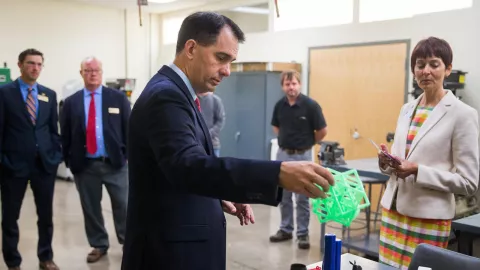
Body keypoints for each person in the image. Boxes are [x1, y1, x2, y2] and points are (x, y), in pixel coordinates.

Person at [121, 11, 335, 270]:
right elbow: (186, 166)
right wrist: (277, 173)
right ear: (191, 48)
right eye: (221, 58)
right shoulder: (166, 97)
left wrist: (218, 194)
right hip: (168, 255)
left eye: (231, 61)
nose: (227, 71)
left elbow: (172, 171)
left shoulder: (180, 94)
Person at [377, 37, 479, 270]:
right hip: (393, 214)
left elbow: (469, 182)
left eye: (434, 64)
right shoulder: (407, 109)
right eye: (420, 65)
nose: (426, 71)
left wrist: (417, 171)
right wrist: (386, 162)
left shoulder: (463, 114)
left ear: (448, 69)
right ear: (413, 70)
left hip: (428, 219)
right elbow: (399, 160)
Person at [60, 57, 130, 263]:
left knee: (124, 206)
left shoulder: (117, 98)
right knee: (91, 208)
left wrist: (128, 157)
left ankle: (128, 242)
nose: (92, 73)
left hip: (116, 164)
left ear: (102, 72)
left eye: (96, 70)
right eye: (88, 70)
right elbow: (65, 135)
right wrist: (69, 162)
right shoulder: (71, 102)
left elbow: (130, 129)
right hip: (85, 165)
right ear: (81, 73)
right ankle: (99, 244)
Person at [0, 49, 62, 270]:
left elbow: (53, 130)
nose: (35, 68)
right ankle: (13, 261)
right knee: (10, 217)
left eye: (38, 64)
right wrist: (4, 161)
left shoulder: (49, 94)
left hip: (44, 165)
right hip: (13, 166)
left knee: (45, 216)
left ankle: (45, 257)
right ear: (20, 65)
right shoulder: (5, 93)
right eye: (30, 63)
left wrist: (56, 155)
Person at [269, 70, 328, 249]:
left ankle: (303, 234)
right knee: (284, 195)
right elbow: (276, 127)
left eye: (294, 83)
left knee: (303, 196)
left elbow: (322, 131)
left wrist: (306, 144)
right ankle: (286, 229)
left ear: (299, 84)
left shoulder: (311, 106)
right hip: (284, 155)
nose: (291, 87)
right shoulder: (279, 105)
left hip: (303, 155)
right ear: (283, 86)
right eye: (287, 84)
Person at [197, 92, 226, 157]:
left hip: (212, 144)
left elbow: (220, 120)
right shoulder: (192, 100)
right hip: (196, 145)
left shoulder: (215, 100)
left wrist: (208, 134)